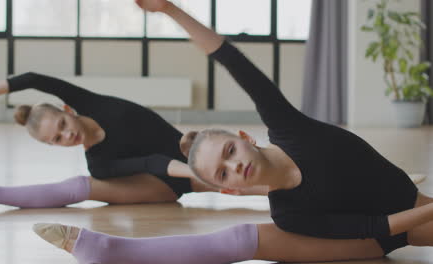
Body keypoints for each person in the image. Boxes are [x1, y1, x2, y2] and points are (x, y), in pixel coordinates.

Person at [28, 0, 433, 263]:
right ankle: (110, 250)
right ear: (230, 190)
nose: (234, 167)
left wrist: (169, 10)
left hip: (405, 204)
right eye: (223, 174)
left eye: (229, 153)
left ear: (245, 137)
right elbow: (373, 229)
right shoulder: (288, 214)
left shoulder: (289, 127)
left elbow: (231, 59)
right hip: (381, 236)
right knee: (241, 240)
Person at [0, 74, 267, 212]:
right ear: (53, 146)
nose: (67, 136)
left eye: (62, 126)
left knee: (250, 163)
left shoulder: (91, 103)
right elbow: (152, 164)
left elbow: (31, 79)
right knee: (86, 184)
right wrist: (196, 173)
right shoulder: (99, 164)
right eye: (57, 139)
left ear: (68, 110)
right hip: (167, 182)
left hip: (187, 152)